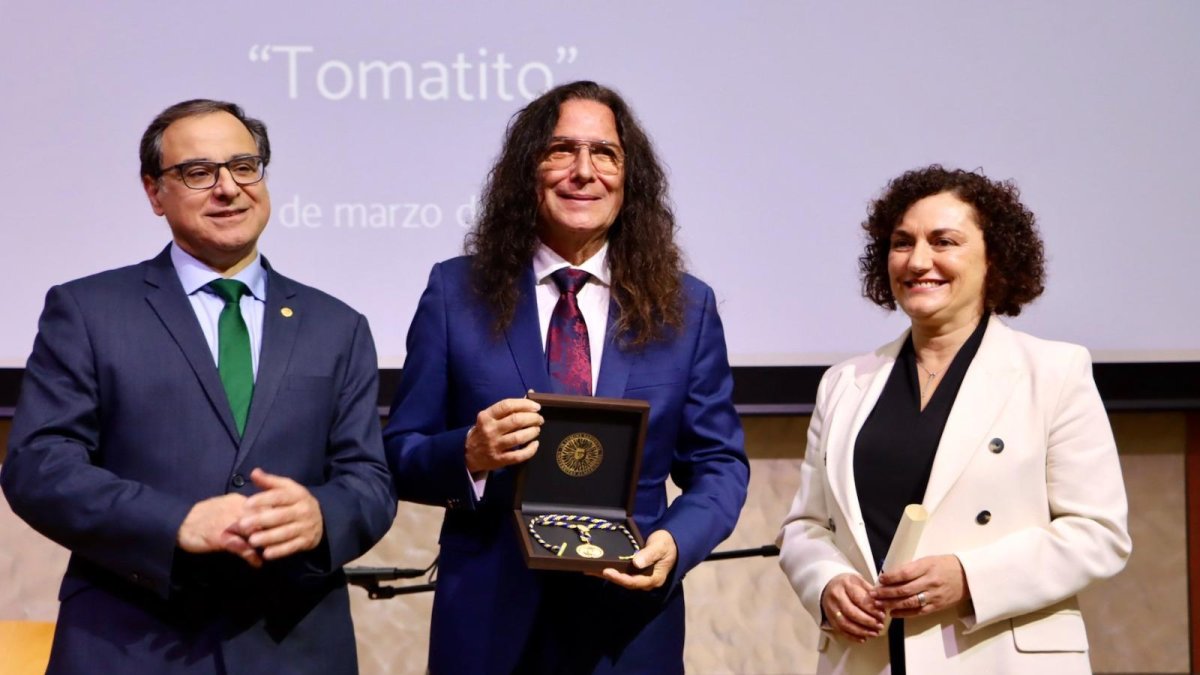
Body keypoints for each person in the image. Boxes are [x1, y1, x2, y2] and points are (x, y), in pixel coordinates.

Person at [0, 99, 396, 675]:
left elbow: (369, 479)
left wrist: (322, 514)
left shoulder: (338, 325)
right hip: (131, 643)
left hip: (294, 646)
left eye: (244, 166)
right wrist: (174, 522)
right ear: (154, 192)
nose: (228, 188)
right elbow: (38, 466)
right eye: (198, 172)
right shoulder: (88, 310)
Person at [384, 80, 749, 674]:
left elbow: (719, 464)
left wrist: (676, 542)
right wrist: (471, 453)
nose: (584, 171)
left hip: (629, 629)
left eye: (605, 153)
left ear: (631, 178)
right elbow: (400, 452)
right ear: (527, 172)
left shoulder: (686, 307)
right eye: (561, 151)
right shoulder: (455, 292)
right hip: (487, 627)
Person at [777, 165, 1131, 674]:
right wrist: (828, 583)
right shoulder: (844, 383)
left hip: (997, 656)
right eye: (902, 243)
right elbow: (805, 526)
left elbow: (1099, 533)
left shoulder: (1054, 372)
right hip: (868, 656)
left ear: (995, 258)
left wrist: (970, 578)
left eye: (944, 242)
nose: (919, 261)